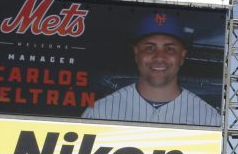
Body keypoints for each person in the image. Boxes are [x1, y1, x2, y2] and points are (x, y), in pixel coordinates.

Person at [81, 12, 221, 127]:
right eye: (149, 48)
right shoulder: (100, 112)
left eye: (170, 49)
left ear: (182, 56)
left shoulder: (209, 118)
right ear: (136, 54)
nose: (159, 57)